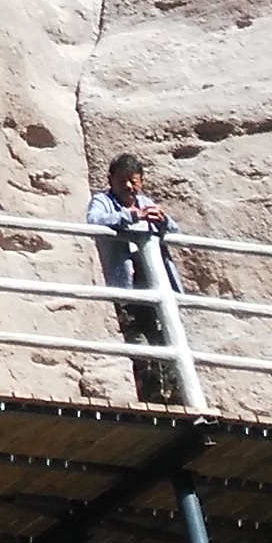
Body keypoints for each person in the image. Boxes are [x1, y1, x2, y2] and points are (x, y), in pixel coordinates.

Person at [87, 154, 182, 403]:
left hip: (155, 285)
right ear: (110, 180)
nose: (128, 186)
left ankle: (173, 401)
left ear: (141, 181)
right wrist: (130, 216)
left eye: (133, 180)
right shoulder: (102, 201)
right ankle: (152, 401)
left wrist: (162, 221)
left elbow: (173, 230)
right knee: (140, 346)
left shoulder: (145, 201)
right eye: (122, 181)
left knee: (166, 342)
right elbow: (94, 220)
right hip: (129, 288)